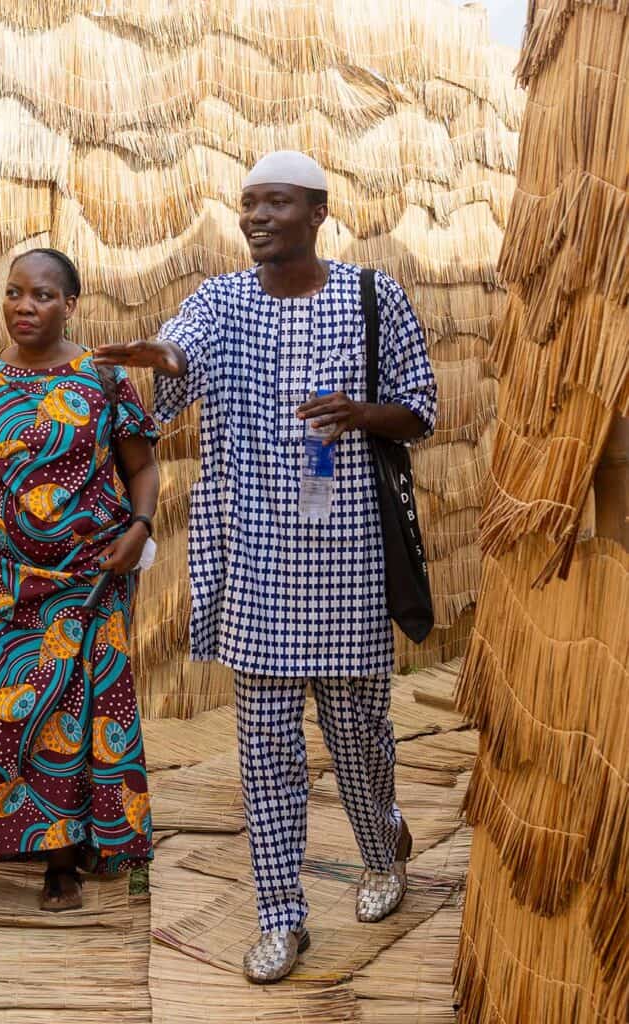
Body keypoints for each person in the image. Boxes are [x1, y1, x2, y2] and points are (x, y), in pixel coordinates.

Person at [95, 152, 437, 981]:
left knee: (357, 737)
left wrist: (360, 412)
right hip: (255, 561)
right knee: (267, 751)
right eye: (247, 204)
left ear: (316, 212)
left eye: (273, 204)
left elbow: (420, 411)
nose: (253, 217)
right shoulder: (219, 301)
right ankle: (281, 916)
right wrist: (160, 357)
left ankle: (380, 851)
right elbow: (181, 354)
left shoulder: (370, 296)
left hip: (348, 555)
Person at [0, 248, 159, 912]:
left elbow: (140, 464)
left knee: (65, 721)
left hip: (84, 580)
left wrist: (139, 527)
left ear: (70, 304)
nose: (25, 306)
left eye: (43, 295)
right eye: (15, 293)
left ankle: (61, 863)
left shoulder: (99, 379)